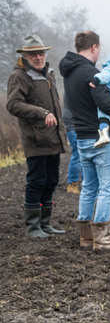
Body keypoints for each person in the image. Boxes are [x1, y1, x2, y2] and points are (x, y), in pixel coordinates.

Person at [60, 31, 110, 251]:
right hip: (102, 139)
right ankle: (102, 239)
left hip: (81, 138)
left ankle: (86, 237)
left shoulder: (69, 73)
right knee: (108, 189)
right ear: (94, 47)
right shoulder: (92, 73)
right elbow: (105, 103)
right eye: (99, 49)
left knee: (89, 187)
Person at [7, 33, 67, 238]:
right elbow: (13, 104)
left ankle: (45, 223)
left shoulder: (48, 74)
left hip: (53, 138)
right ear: (25, 56)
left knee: (51, 180)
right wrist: (42, 113)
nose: (38, 57)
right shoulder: (19, 76)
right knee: (37, 181)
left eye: (41, 53)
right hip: (35, 139)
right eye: (33, 54)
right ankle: (33, 226)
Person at [62, 105, 82, 193]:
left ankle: (85, 182)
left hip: (77, 124)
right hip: (74, 125)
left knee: (81, 154)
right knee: (77, 154)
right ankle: (72, 184)